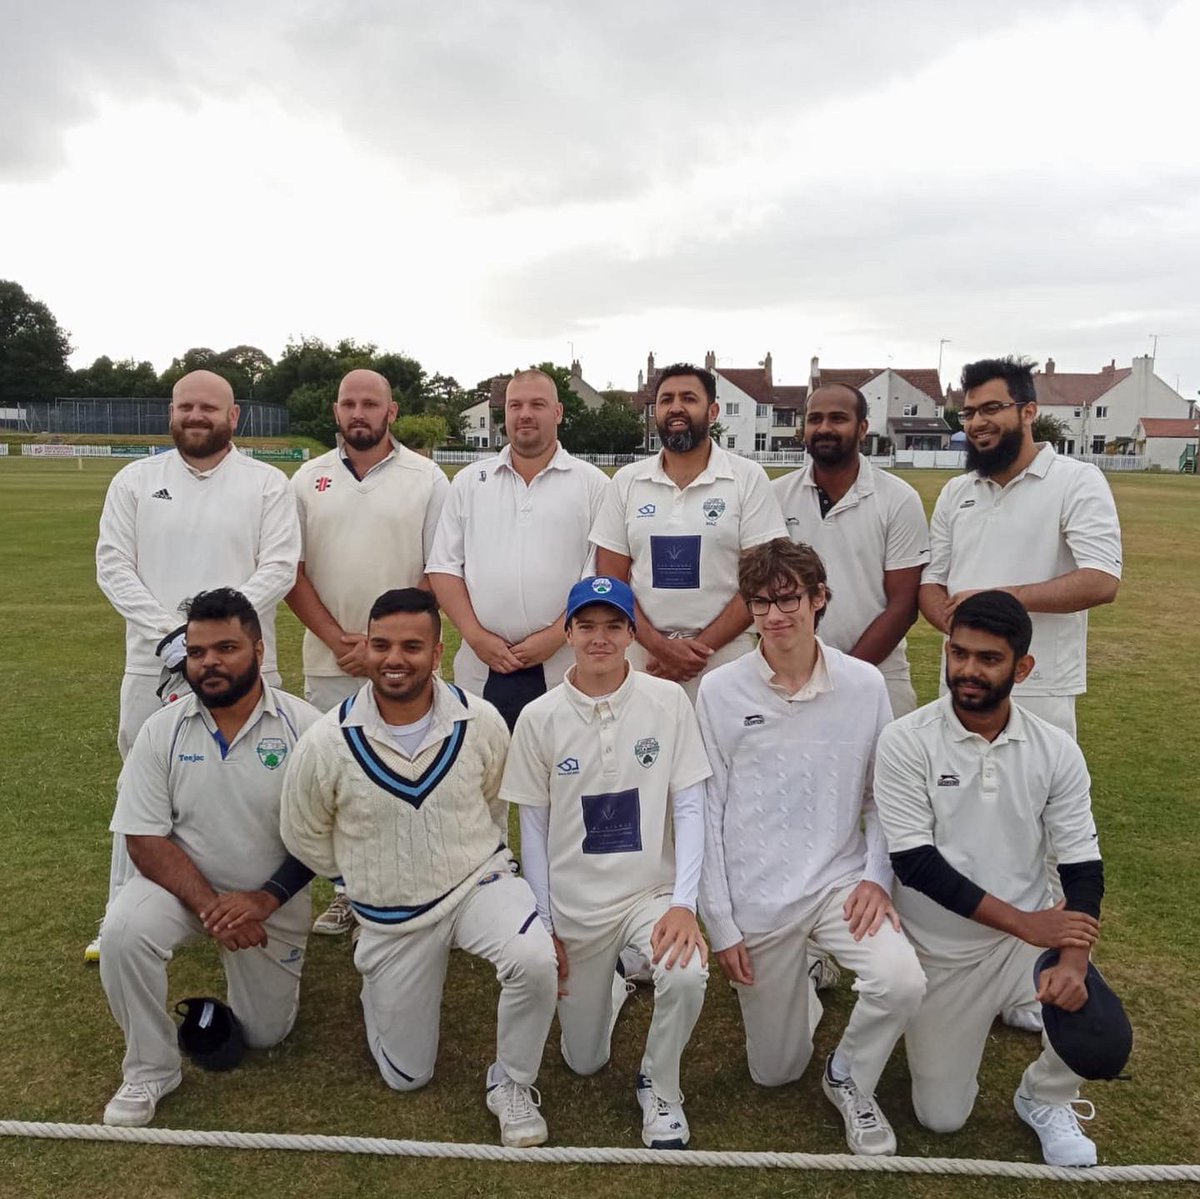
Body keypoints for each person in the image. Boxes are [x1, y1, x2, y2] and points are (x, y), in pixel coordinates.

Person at [279, 588, 558, 1148]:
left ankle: (511, 1082)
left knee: (535, 959)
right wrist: (358, 878)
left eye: (412, 646)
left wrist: (460, 854)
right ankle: (379, 988)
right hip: (392, 913)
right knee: (408, 1077)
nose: (394, 658)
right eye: (381, 645)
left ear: (436, 653)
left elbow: (491, 801)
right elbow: (302, 832)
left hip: (477, 882)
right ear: (366, 648)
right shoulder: (325, 742)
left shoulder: (479, 720)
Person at [697, 539, 926, 1156]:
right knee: (773, 1072)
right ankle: (799, 987)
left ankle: (848, 1074)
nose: (776, 616)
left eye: (789, 599)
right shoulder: (719, 692)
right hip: (758, 897)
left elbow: (882, 799)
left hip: (839, 883)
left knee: (902, 981)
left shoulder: (864, 685)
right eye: (761, 603)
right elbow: (707, 810)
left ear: (819, 598)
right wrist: (720, 922)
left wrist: (877, 877)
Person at [873, 591, 1106, 1168]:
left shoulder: (1056, 749)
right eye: (959, 654)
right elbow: (915, 864)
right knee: (941, 1117)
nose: (968, 671)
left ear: (1022, 668)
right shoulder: (906, 741)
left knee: (1100, 1030)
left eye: (989, 659)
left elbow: (1081, 864)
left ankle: (1044, 1095)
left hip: (1023, 945)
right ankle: (967, 1015)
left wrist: (1071, 957)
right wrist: (1028, 921)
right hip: (939, 951)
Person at [92, 369, 301, 960]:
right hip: (151, 666)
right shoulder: (136, 480)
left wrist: (219, 639)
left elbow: (279, 568)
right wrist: (172, 637)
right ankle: (123, 919)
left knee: (261, 785)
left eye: (209, 407)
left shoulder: (265, 484)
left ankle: (263, 906)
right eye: (185, 406)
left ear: (233, 417)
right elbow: (114, 567)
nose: (195, 416)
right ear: (171, 413)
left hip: (249, 668)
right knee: (139, 786)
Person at [501, 576, 712, 1149]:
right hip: (576, 902)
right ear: (567, 632)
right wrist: (546, 924)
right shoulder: (539, 718)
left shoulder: (668, 702)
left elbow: (690, 805)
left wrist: (684, 906)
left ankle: (661, 1085)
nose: (600, 638)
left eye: (614, 626)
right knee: (583, 1062)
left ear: (631, 633)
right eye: (587, 626)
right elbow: (535, 831)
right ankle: (613, 987)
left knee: (687, 972)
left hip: (649, 893)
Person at [99, 589, 320, 1127]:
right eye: (197, 653)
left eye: (226, 648)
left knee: (265, 1035)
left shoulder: (309, 729)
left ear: (260, 650)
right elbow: (144, 839)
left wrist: (263, 900)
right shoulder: (162, 729)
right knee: (124, 932)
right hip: (184, 891)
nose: (210, 663)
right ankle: (151, 1068)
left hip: (268, 903)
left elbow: (324, 836)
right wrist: (210, 907)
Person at [287, 368, 450, 936]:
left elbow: (441, 571)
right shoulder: (307, 480)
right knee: (341, 778)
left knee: (415, 771)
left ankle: (426, 889)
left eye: (371, 404)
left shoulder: (427, 478)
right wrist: (340, 640)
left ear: (392, 411)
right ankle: (349, 893)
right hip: (330, 658)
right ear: (337, 412)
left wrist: (389, 647)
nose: (360, 413)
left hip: (408, 660)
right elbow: (293, 572)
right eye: (349, 404)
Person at [919, 356, 1122, 740]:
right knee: (953, 795)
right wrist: (966, 632)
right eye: (969, 412)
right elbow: (932, 581)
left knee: (1035, 796)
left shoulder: (1076, 480)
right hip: (961, 681)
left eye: (992, 408)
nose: (978, 422)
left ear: (1029, 411)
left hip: (1039, 683)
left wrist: (997, 605)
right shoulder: (956, 491)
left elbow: (1101, 580)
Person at [591, 362, 786, 701]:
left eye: (688, 398)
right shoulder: (627, 481)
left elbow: (762, 578)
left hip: (725, 655)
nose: (676, 407)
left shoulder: (747, 478)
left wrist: (700, 649)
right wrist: (659, 646)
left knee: (720, 754)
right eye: (666, 399)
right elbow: (611, 577)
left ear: (712, 411)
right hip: (642, 653)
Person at [428, 368, 609, 729]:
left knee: (561, 772)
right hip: (482, 665)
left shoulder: (593, 485)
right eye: (515, 405)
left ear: (558, 413)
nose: (525, 414)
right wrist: (477, 637)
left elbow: (600, 574)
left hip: (563, 662)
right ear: (505, 413)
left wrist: (558, 634)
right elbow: (444, 568)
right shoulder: (468, 483)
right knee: (485, 772)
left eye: (537, 404)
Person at [773, 382, 929, 718]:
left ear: (862, 429)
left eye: (838, 418)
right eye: (815, 419)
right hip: (789, 672)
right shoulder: (775, 496)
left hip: (879, 674)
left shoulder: (898, 499)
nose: (825, 428)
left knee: (884, 771)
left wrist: (842, 674)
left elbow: (903, 605)